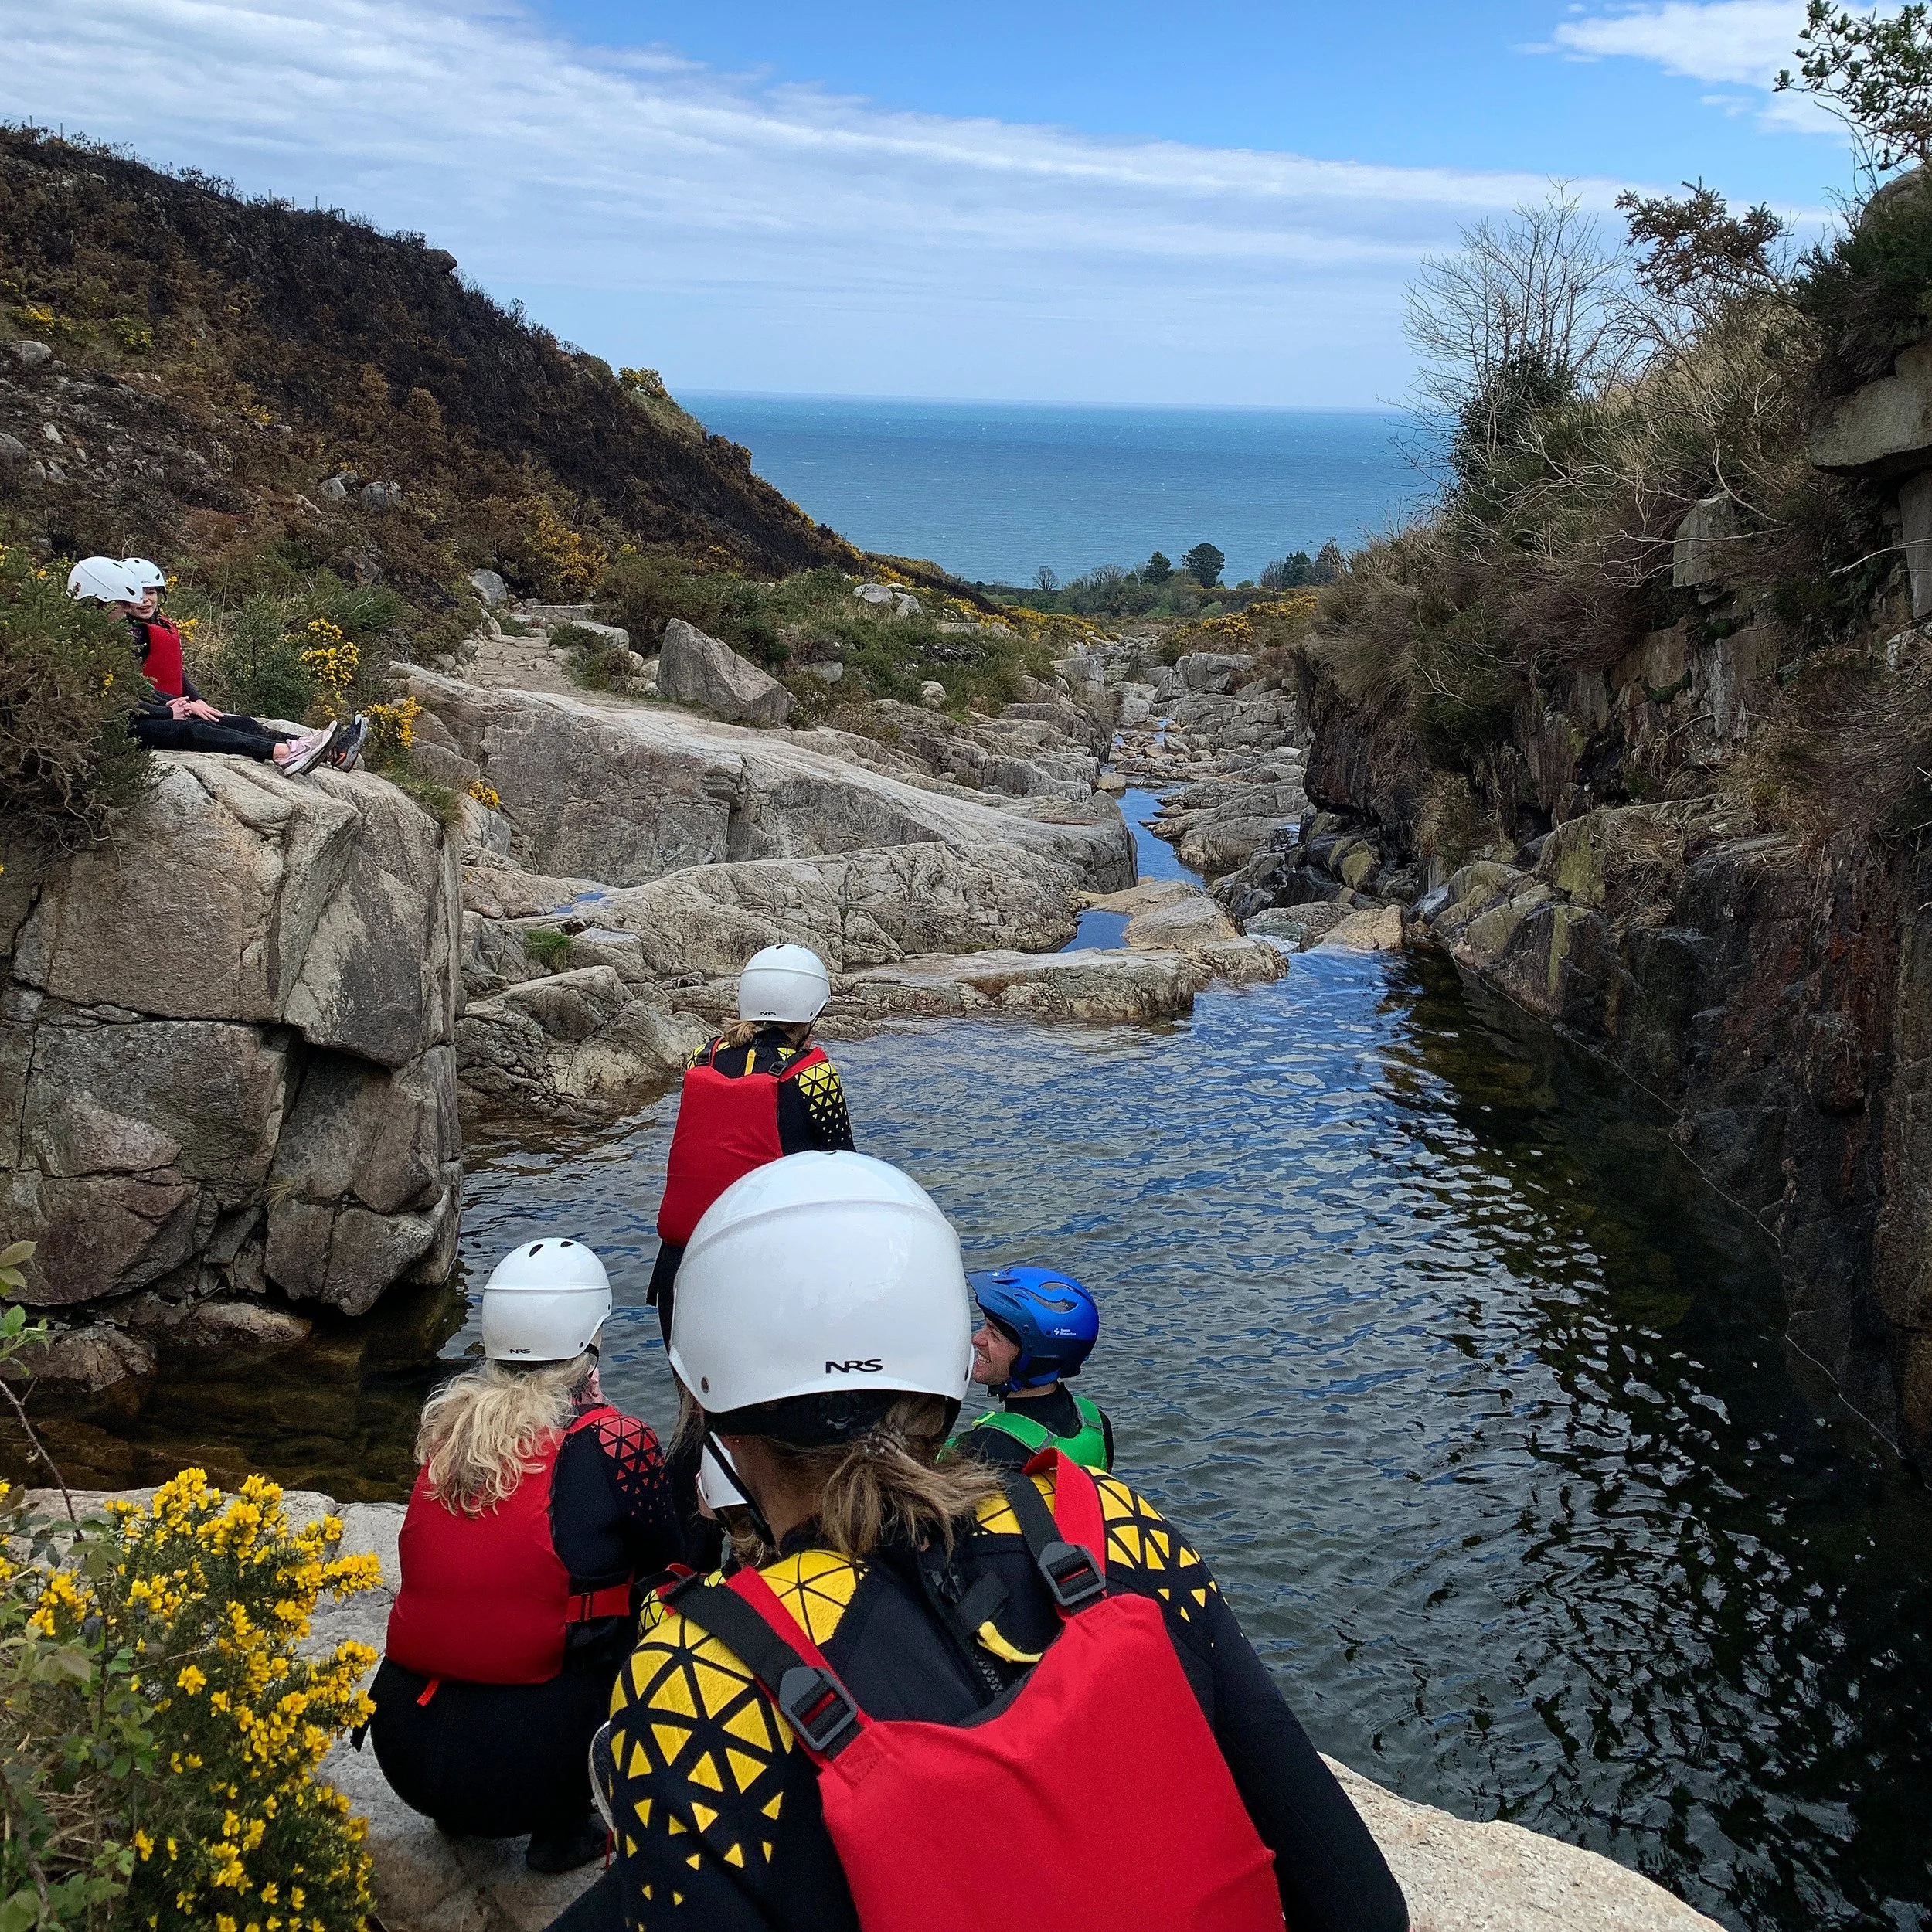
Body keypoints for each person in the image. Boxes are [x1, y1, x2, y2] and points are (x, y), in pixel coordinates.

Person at [556, 1151, 1409, 1932]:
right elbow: (1360, 1905)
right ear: (943, 1375)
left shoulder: (696, 1672)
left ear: (713, 1413)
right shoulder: (1114, 1525)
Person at [366, 1237, 682, 1874]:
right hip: (525, 1776)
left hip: (403, 1750)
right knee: (656, 1598)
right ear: (591, 1345)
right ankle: (566, 1830)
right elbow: (671, 1556)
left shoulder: (449, 1432)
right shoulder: (617, 1441)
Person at [646, 943, 854, 1342]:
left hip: (680, 1256)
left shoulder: (700, 1058)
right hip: (764, 1259)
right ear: (812, 1010)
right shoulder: (813, 1072)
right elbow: (844, 1162)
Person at [65, 556, 343, 774]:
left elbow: (129, 685)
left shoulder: (106, 638)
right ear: (98, 603)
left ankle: (306, 748)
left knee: (229, 722)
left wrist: (176, 704)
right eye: (122, 604)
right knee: (194, 730)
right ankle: (284, 753)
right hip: (111, 727)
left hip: (136, 713)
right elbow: (110, 700)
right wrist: (166, 712)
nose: (129, 609)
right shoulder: (78, 645)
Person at [954, 1265, 1114, 1471]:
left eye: (994, 1335)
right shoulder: (1096, 1424)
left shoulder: (984, 1450)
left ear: (1033, 1356)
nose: (977, 1339)